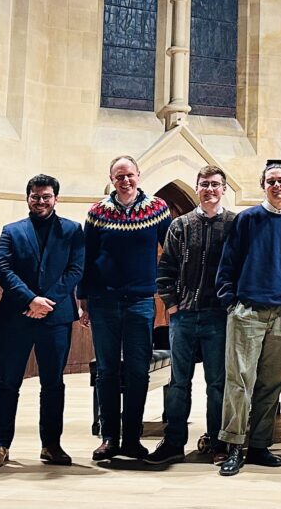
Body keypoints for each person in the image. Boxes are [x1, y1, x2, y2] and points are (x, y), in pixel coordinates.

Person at [215, 163, 281, 476]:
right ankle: (233, 445)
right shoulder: (247, 219)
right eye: (271, 181)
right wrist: (230, 302)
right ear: (263, 185)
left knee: (272, 383)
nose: (277, 185)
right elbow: (228, 263)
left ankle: (258, 445)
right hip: (248, 311)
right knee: (239, 381)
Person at [0, 174, 85, 469]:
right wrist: (30, 300)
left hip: (56, 318)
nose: (41, 201)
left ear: (56, 198)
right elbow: (3, 268)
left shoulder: (72, 230)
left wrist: (46, 302)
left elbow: (75, 269)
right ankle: (0, 445)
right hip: (16, 316)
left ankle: (51, 445)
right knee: (7, 383)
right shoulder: (11, 231)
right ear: (27, 198)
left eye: (46, 196)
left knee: (53, 384)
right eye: (35, 196)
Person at [79, 155, 171, 461]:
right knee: (106, 370)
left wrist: (169, 291)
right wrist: (83, 298)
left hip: (140, 302)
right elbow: (87, 257)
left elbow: (172, 252)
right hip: (103, 301)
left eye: (129, 175)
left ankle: (132, 438)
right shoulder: (97, 212)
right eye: (119, 177)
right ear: (112, 180)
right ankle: (109, 437)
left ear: (138, 175)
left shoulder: (158, 209)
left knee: (137, 371)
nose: (125, 181)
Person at [147, 165, 236, 466]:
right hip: (183, 315)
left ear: (223, 189)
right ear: (197, 188)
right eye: (204, 184)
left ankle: (217, 442)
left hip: (218, 316)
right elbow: (166, 267)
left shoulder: (234, 224)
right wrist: (172, 305)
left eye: (215, 184)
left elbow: (241, 267)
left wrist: (231, 305)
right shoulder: (180, 225)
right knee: (178, 382)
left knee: (217, 383)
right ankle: (173, 442)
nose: (210, 190)